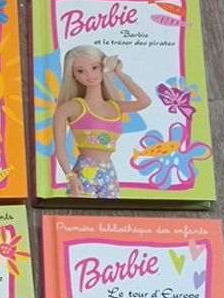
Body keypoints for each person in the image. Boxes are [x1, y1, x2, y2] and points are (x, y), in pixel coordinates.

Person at [53, 45, 151, 199]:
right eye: (80, 71)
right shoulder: (71, 108)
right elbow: (59, 146)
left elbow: (144, 101)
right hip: (84, 171)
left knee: (110, 212)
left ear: (103, 68)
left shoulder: (115, 106)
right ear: (73, 76)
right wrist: (70, 176)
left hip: (109, 172)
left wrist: (118, 73)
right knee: (83, 212)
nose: (89, 75)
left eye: (94, 68)